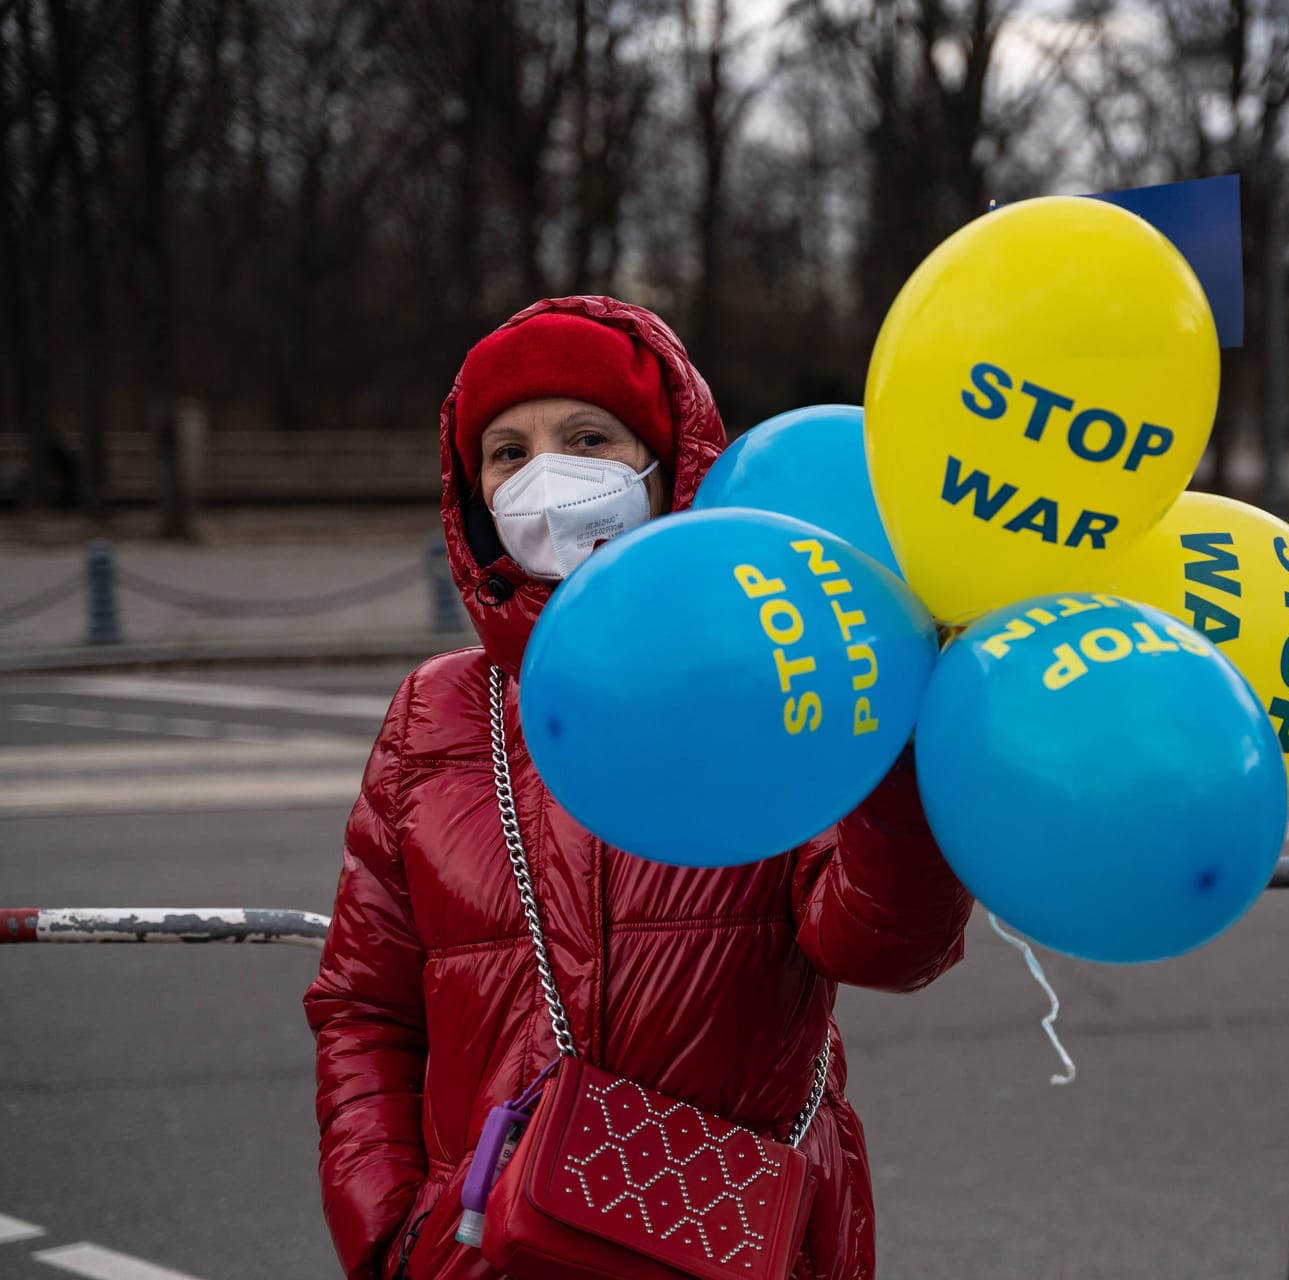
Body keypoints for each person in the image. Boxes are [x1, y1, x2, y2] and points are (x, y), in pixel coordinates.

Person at [305, 296, 974, 1280]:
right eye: (507, 451)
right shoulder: (433, 714)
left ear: (672, 466)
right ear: (473, 494)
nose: (546, 476)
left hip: (736, 1234)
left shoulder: (785, 681)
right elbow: (366, 1009)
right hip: (484, 1246)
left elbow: (889, 942)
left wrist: (900, 755)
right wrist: (393, 1230)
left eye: (587, 437)